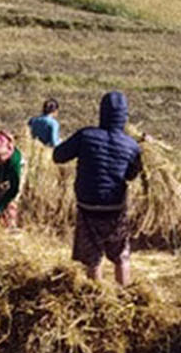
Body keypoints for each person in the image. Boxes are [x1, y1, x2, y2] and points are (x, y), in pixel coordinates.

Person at [54, 90, 143, 285]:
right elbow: (131, 175)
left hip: (88, 205)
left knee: (92, 256)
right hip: (114, 207)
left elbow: (58, 156)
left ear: (101, 113)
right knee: (121, 254)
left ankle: (97, 297)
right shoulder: (131, 145)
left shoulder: (86, 135)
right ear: (124, 117)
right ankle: (125, 294)